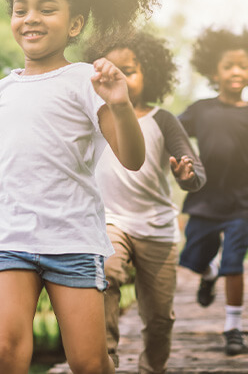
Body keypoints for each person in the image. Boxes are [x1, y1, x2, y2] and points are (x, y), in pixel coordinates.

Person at [0, 0, 159, 374]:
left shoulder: (85, 81)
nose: (30, 18)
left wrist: (121, 103)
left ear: (75, 23)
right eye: (20, 8)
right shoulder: (4, 88)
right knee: (6, 353)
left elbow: (132, 158)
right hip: (9, 236)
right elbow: (12, 168)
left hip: (70, 237)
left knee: (89, 362)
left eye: (46, 8)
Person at [84, 30, 206, 374]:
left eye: (131, 69)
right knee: (104, 273)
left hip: (156, 228)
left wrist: (187, 175)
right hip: (109, 221)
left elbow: (195, 169)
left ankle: (152, 367)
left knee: (158, 318)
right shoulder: (93, 118)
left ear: (149, 74)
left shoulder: (163, 120)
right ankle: (104, 360)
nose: (121, 76)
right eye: (113, 69)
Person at [178, 23, 248, 356]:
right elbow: (170, 135)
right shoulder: (200, 110)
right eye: (228, 66)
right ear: (214, 73)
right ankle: (209, 274)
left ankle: (233, 328)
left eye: (243, 66)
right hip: (204, 200)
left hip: (240, 203)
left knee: (235, 262)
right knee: (192, 259)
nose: (236, 71)